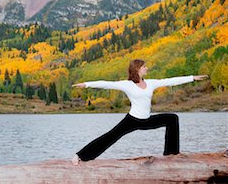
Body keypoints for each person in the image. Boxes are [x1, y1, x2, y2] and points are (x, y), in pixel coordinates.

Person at [71, 59, 208, 165]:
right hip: (132, 120)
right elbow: (107, 84)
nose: (146, 68)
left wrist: (191, 78)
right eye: (144, 66)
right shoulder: (127, 85)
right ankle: (80, 156)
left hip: (147, 120)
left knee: (172, 118)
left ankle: (171, 153)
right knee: (109, 137)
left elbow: (170, 81)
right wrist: (86, 84)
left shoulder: (151, 83)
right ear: (137, 69)